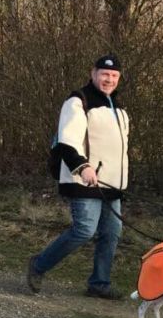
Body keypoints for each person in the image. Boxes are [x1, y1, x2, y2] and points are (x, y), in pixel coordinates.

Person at [27, 55, 130, 299]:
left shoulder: (119, 108)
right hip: (83, 180)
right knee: (84, 230)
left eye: (114, 75)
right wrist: (83, 167)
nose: (109, 79)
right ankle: (38, 265)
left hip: (111, 184)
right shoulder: (78, 101)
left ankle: (99, 283)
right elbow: (68, 140)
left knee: (111, 233)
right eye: (104, 74)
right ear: (93, 73)